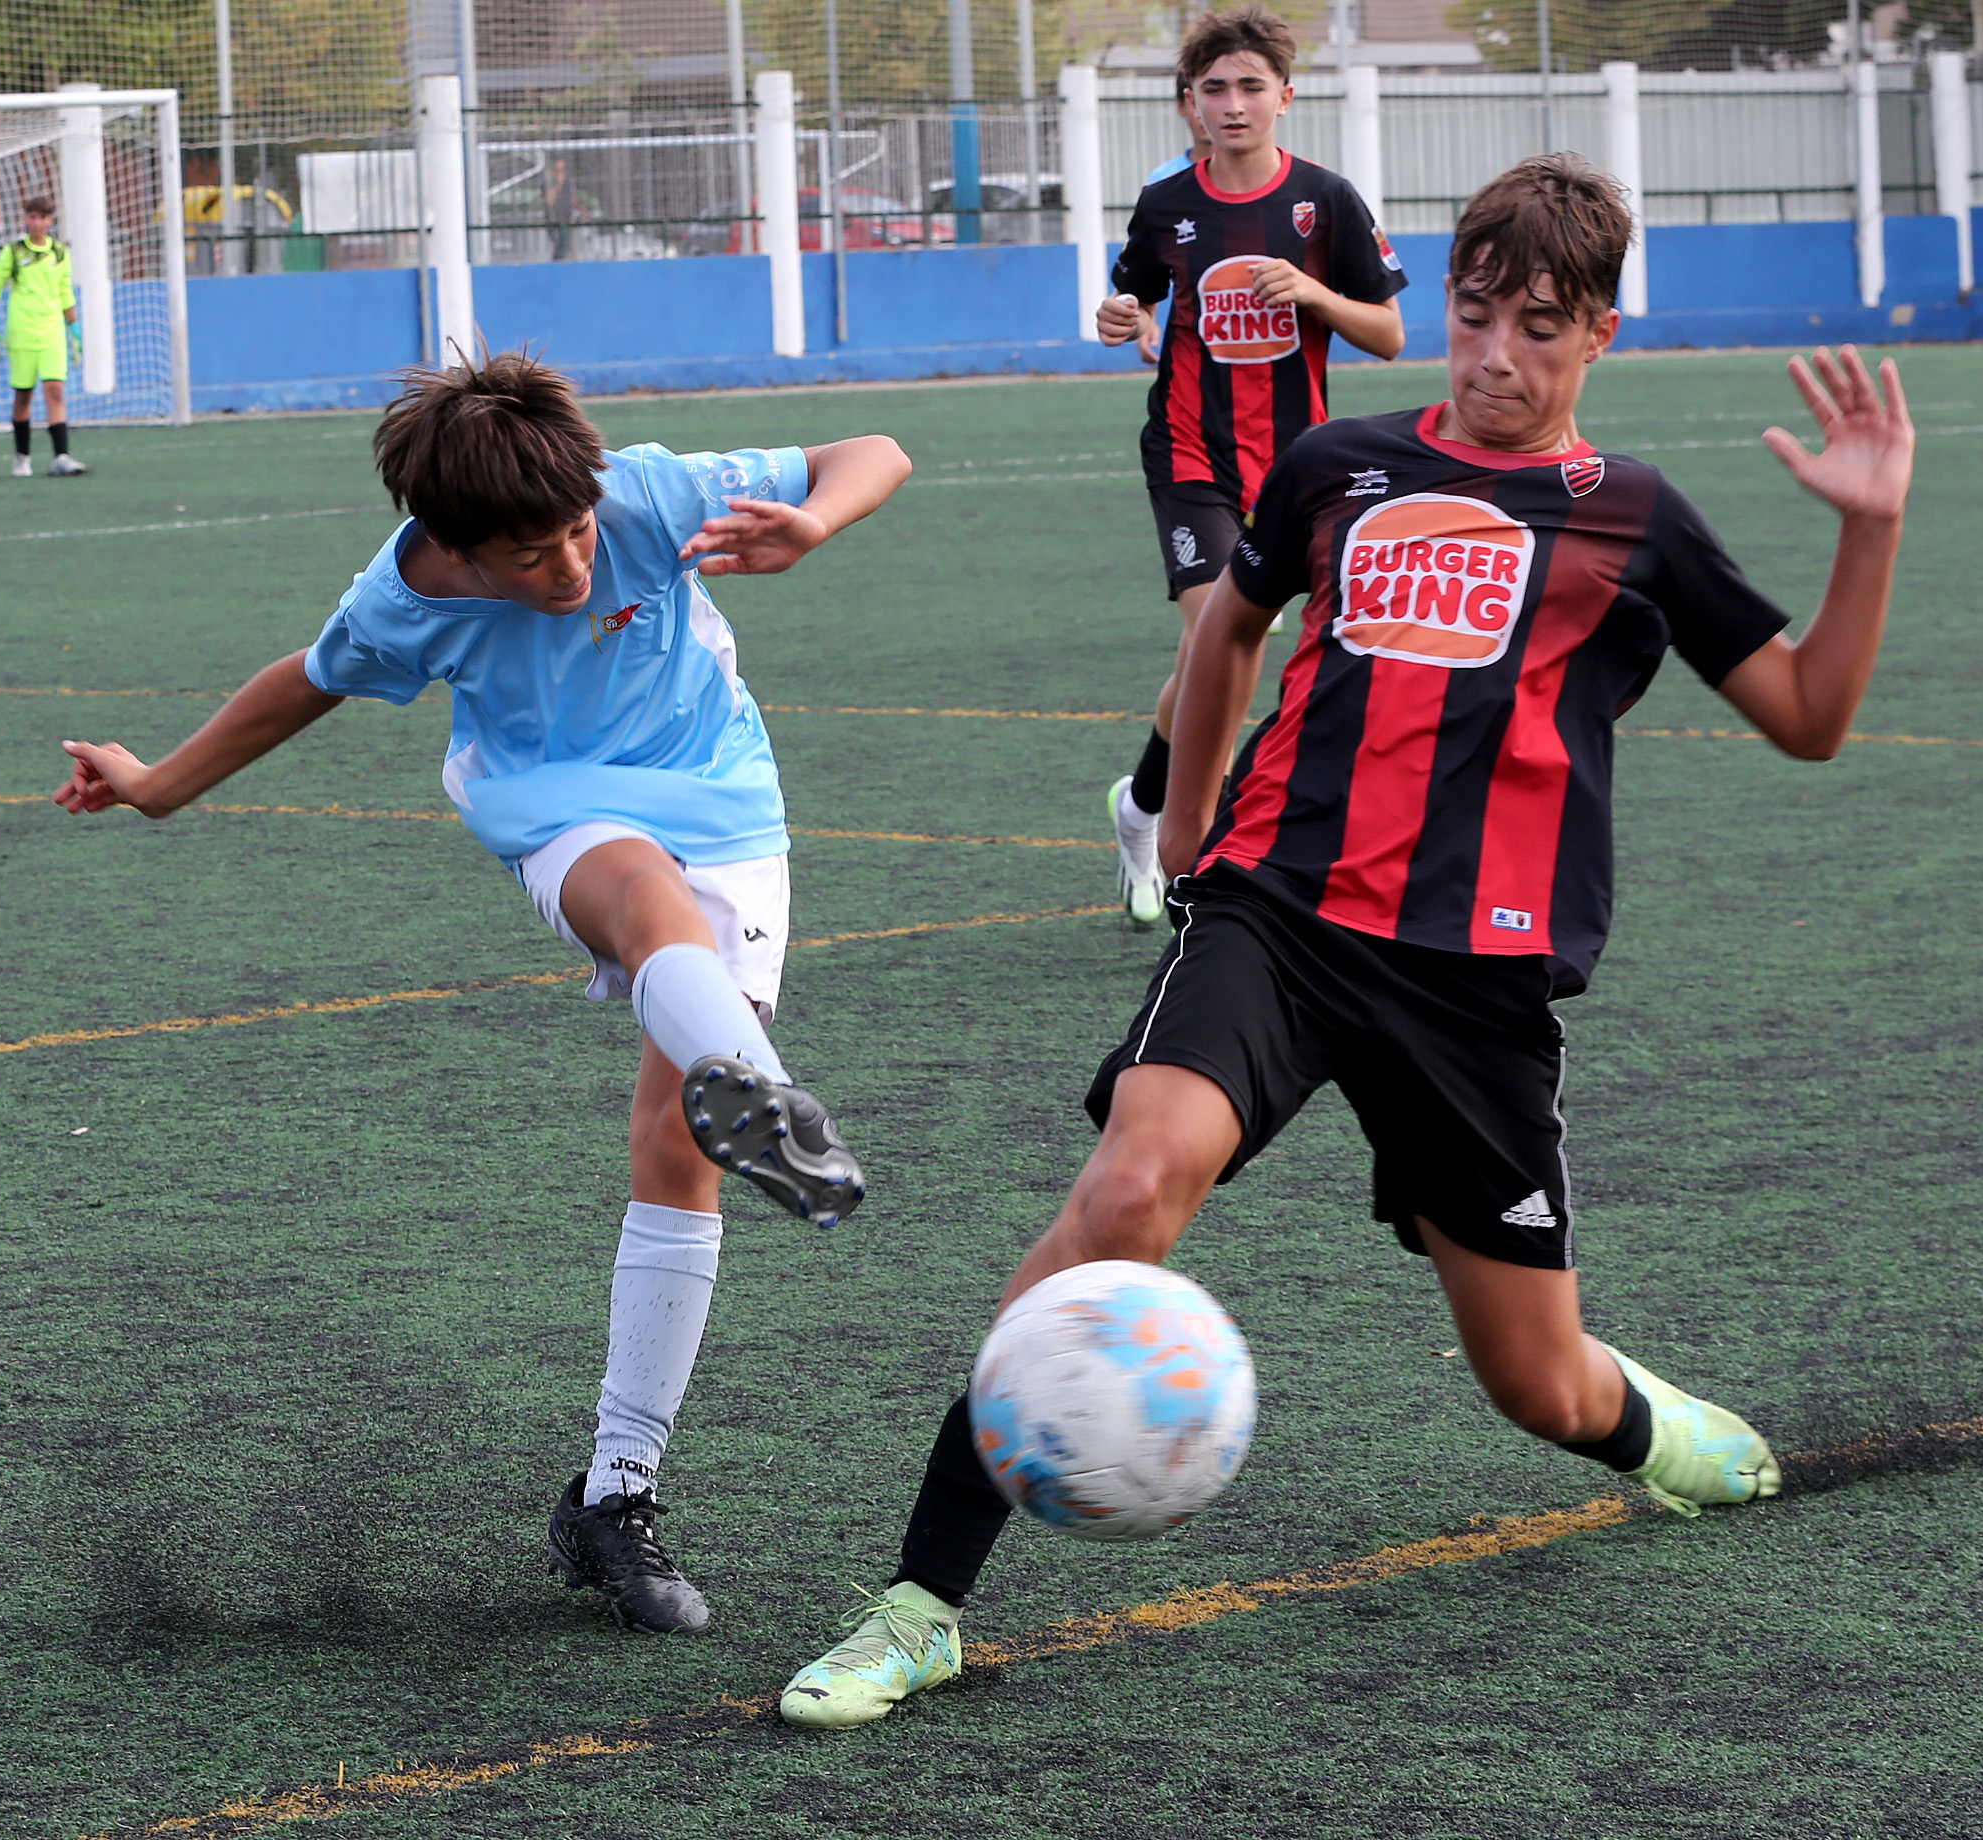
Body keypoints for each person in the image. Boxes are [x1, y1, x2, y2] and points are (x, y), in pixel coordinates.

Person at [777, 153, 1915, 1728]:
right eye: (1473, 315)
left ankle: (1637, 1425)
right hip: (1282, 919)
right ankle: (917, 1605)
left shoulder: (1636, 518)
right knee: (1123, 1189)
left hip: (1475, 986)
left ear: (1598, 339)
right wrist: (1187, 836)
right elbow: (1233, 618)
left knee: (1540, 1384)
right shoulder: (1340, 464)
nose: (1495, 355)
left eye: (1538, 327)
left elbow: (1809, 717)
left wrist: (1867, 536)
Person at [53, 351, 913, 1637]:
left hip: (725, 798)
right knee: (641, 902)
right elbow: (309, 678)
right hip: (549, 798)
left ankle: (614, 1485)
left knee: (679, 1142)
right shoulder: (404, 594)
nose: (569, 568)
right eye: (528, 555)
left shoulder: (646, 493)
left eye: (578, 534)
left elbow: (875, 452)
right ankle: (761, 1101)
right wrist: (159, 782)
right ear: (451, 547)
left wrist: (815, 524)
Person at [1099, 4, 1408, 929]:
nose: (1233, 104)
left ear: (1285, 96)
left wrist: (1315, 291)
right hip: (1190, 454)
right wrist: (1121, 318)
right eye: (1213, 90)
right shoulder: (1169, 206)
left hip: (1296, 466)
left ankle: (1143, 806)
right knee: (1220, 639)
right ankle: (1199, 847)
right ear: (1189, 105)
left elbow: (1389, 334)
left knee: (1222, 652)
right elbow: (1132, 300)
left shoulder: (1326, 201)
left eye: (1249, 87)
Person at [0, 196, 86, 478]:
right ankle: (22, 457)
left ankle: (61, 456)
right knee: (24, 394)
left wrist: (74, 329)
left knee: (55, 389)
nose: (37, 222)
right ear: (25, 218)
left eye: (43, 217)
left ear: (50, 220)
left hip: (52, 330)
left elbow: (66, 290)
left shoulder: (60, 252)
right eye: (32, 217)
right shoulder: (13, 252)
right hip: (22, 331)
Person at [1135, 73, 1216, 365]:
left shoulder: (1277, 181)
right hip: (1188, 335)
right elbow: (1151, 260)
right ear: (1183, 105)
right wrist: (1147, 317)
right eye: (1205, 96)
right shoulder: (1163, 182)